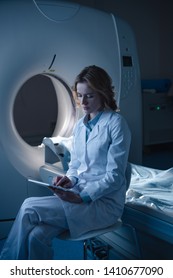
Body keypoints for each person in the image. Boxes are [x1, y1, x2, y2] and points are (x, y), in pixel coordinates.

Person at [0, 65, 131, 260]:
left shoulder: (116, 124)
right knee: (37, 236)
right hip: (79, 195)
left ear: (103, 93)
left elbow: (115, 176)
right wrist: (68, 180)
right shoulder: (80, 126)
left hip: (102, 204)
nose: (83, 102)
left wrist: (82, 197)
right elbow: (76, 167)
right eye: (79, 95)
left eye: (89, 96)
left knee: (28, 207)